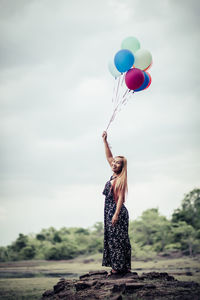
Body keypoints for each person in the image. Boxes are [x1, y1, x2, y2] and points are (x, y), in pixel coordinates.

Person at [102, 131, 132, 276]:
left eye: (117, 163)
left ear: (122, 166)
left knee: (117, 239)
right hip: (110, 211)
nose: (114, 163)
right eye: (114, 162)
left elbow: (120, 198)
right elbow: (109, 156)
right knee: (114, 238)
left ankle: (118, 268)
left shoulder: (120, 178)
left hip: (116, 211)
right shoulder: (114, 173)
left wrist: (115, 214)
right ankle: (122, 266)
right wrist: (105, 141)